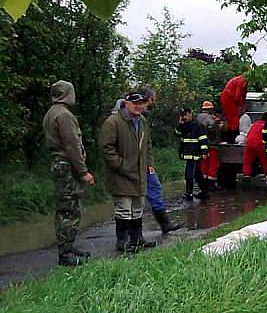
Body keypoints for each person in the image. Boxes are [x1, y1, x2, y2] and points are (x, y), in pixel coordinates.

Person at [42, 80, 95, 266]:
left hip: (60, 164)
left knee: (67, 206)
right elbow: (72, 145)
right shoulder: (64, 115)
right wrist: (83, 171)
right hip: (67, 166)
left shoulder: (52, 113)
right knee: (69, 209)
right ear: (67, 94)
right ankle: (65, 253)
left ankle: (69, 247)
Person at [99, 90, 157, 253]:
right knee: (124, 207)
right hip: (120, 173)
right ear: (126, 103)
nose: (139, 107)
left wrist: (149, 163)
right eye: (135, 104)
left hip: (139, 172)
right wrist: (120, 165)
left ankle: (137, 238)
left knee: (138, 206)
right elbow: (106, 148)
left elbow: (148, 145)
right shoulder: (113, 122)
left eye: (141, 104)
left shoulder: (143, 121)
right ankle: (122, 240)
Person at [141, 88, 181, 233]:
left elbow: (147, 144)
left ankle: (164, 224)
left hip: (144, 163)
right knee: (134, 198)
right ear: (149, 99)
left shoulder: (142, 118)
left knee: (155, 188)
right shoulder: (131, 119)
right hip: (133, 164)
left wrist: (150, 162)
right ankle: (131, 236)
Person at [176, 107, 210, 200]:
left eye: (185, 115)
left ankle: (189, 193)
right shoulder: (185, 125)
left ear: (190, 114)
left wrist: (204, 152)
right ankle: (204, 191)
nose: (184, 117)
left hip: (196, 154)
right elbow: (178, 134)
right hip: (188, 153)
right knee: (197, 174)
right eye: (182, 116)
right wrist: (180, 124)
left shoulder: (198, 125)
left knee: (189, 174)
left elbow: (203, 140)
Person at [219, 73, 247, 142]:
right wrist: (241, 105)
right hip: (229, 99)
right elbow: (237, 96)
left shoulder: (238, 79)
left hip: (227, 98)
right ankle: (231, 139)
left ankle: (230, 138)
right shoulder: (242, 80)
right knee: (234, 120)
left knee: (231, 120)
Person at [242, 112, 267, 179]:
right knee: (265, 160)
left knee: (247, 160)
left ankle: (246, 175)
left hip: (249, 143)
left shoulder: (255, 123)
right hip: (260, 143)